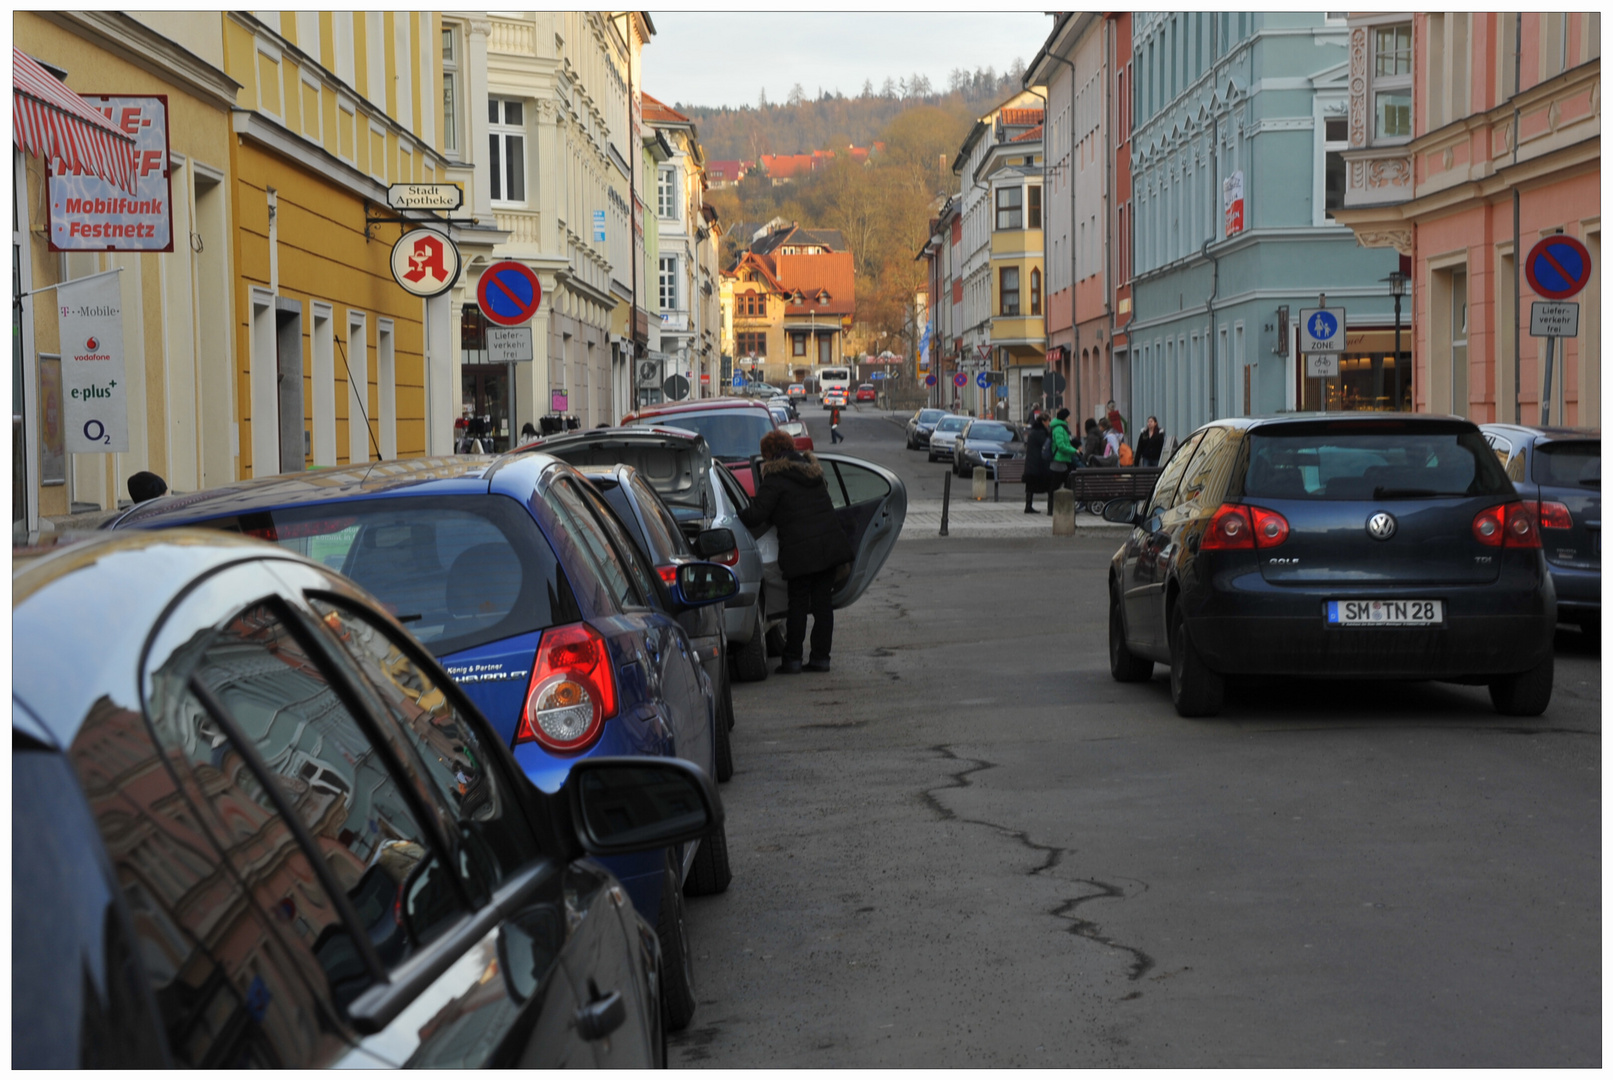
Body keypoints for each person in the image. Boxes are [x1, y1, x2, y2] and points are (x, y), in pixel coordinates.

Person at [738, 429, 854, 673]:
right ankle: (821, 658)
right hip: (828, 547)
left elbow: (756, 515)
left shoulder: (775, 478)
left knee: (798, 604)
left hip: (800, 551)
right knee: (823, 605)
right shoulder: (812, 472)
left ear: (769, 454)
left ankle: (792, 660)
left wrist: (737, 514)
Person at [1021, 413, 1053, 514]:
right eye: (1048, 421)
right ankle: (1050, 507)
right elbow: (1046, 445)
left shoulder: (1034, 431)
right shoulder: (1041, 433)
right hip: (1038, 463)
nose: (1049, 423)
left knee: (1030, 485)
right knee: (1048, 484)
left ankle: (1028, 505)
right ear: (1043, 422)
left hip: (1032, 463)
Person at [1047, 408, 1078, 512]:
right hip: (1058, 460)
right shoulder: (1059, 429)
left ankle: (1065, 508)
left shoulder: (1063, 427)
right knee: (1056, 485)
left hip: (1065, 460)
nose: (1070, 418)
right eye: (1068, 416)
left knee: (1067, 484)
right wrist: (1074, 451)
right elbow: (1061, 446)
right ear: (1065, 417)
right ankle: (1052, 509)